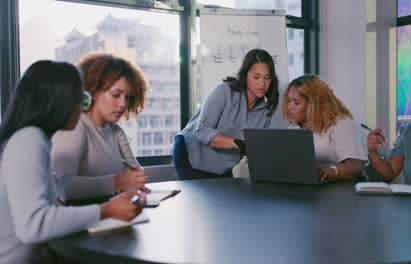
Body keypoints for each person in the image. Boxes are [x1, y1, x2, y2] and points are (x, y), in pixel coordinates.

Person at [0, 60, 146, 264]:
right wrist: (107, 210)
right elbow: (33, 226)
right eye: (81, 100)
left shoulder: (35, 139)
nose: (82, 108)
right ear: (59, 101)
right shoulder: (29, 139)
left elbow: (60, 185)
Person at [51, 53, 150, 201]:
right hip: (82, 219)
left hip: (111, 215)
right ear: (93, 91)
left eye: (127, 97)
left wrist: (136, 180)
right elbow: (60, 186)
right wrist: (118, 182)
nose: (123, 104)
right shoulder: (75, 127)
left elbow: (135, 173)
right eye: (116, 95)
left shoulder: (116, 131)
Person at [173, 49, 279, 180]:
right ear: (245, 75)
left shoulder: (265, 111)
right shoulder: (224, 91)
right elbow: (202, 132)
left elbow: (256, 147)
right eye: (256, 77)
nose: (262, 83)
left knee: (229, 199)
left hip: (222, 165)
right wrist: (242, 144)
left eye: (267, 78)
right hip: (191, 154)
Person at [283, 75, 367, 181]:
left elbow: (355, 166)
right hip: (313, 187)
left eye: (296, 102)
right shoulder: (293, 128)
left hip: (344, 187)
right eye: (288, 101)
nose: (289, 107)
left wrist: (333, 171)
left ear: (315, 104)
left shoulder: (340, 123)